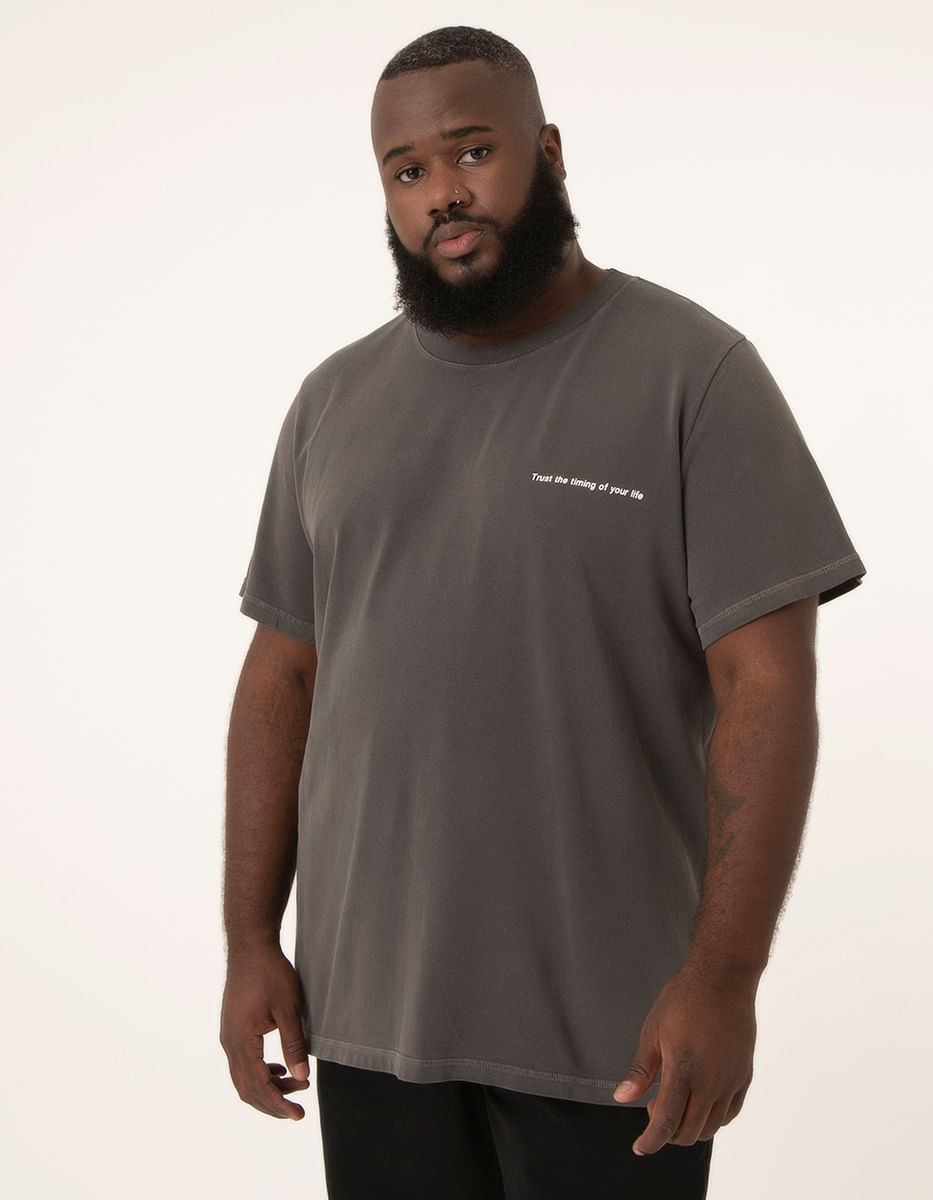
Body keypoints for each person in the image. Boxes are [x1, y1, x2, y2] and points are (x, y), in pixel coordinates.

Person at [220, 25, 867, 1199]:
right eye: (406, 169)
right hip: (367, 1022)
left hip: (614, 1041)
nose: (442, 193)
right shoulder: (331, 402)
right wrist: (251, 940)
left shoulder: (694, 374)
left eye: (473, 151)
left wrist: (723, 978)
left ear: (549, 153)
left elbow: (766, 686)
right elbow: (283, 677)